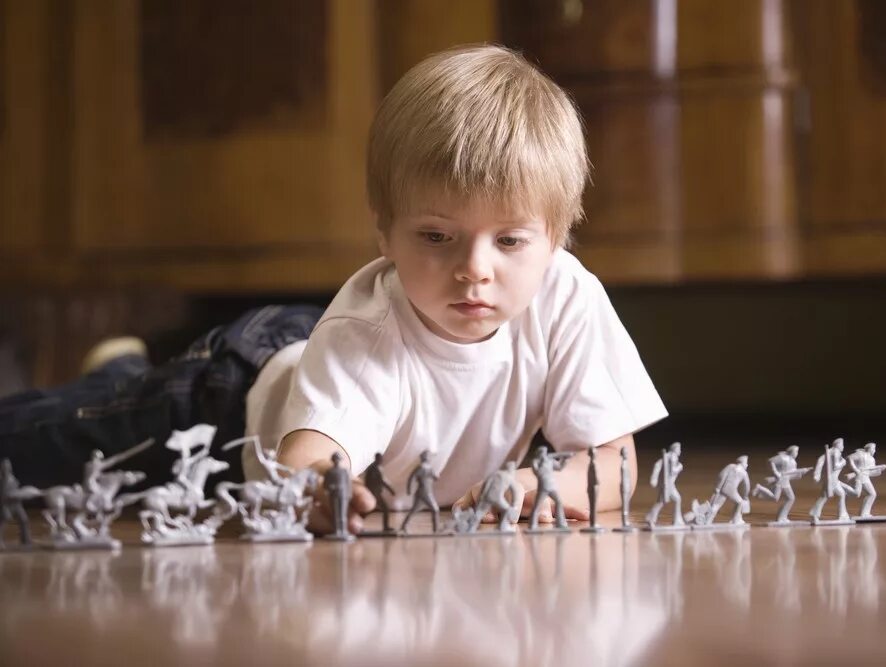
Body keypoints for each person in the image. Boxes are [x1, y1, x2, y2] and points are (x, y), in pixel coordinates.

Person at [0, 45, 668, 535]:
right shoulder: (364, 334)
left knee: (117, 393)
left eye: (511, 241)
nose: (475, 269)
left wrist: (537, 484)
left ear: (557, 238)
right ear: (385, 234)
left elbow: (616, 462)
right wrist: (326, 490)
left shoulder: (567, 296)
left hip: (319, 361)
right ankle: (127, 378)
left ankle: (121, 362)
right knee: (50, 441)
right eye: (436, 237)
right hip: (232, 399)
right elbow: (306, 461)